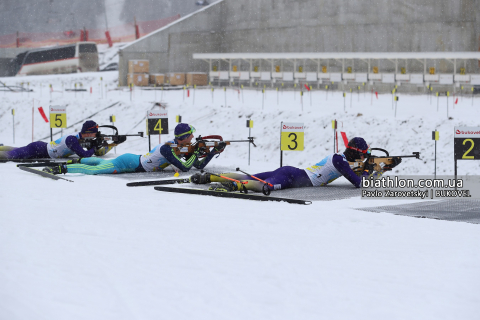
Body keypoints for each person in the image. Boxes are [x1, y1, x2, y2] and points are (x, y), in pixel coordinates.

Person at [190, 137, 402, 192]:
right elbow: (358, 183)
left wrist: (380, 168)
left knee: (253, 177)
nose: (364, 160)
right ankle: (232, 185)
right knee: (266, 186)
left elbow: (359, 175)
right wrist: (374, 170)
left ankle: (209, 177)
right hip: (294, 178)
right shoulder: (341, 161)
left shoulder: (341, 158)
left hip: (294, 174)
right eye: (363, 156)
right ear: (357, 153)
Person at [43, 123, 225, 175]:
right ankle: (62, 168)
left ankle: (79, 159)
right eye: (191, 135)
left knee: (100, 162)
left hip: (132, 160)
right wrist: (196, 153)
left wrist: (211, 153)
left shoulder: (179, 146)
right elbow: (186, 167)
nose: (193, 138)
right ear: (184, 137)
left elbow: (198, 166)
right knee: (96, 170)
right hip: (128, 163)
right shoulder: (167, 149)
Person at [0, 120, 115, 160]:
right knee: (11, 155)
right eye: (94, 132)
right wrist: (94, 148)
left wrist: (113, 143)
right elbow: (84, 155)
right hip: (39, 150)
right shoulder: (72, 140)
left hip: (42, 149)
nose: (95, 134)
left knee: (18, 150)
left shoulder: (79, 138)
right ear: (89, 132)